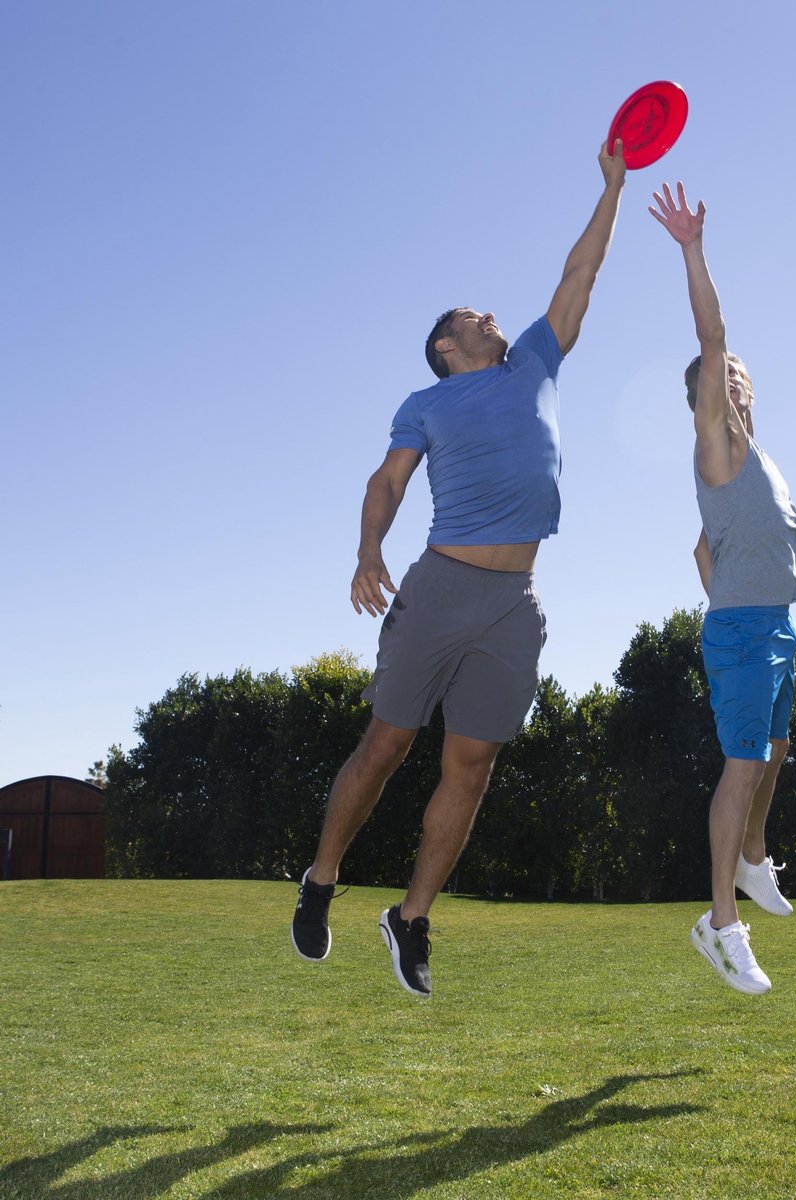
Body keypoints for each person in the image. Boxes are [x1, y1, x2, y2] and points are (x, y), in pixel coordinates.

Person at [290, 140, 627, 998]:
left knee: (470, 768)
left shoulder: (535, 366)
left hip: (517, 604)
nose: (494, 317)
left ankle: (410, 918)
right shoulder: (428, 401)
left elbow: (579, 273)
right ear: (446, 343)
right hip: (439, 586)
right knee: (387, 744)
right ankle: (322, 877)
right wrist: (368, 551)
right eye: (477, 313)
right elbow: (387, 479)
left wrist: (613, 186)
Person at [649, 181, 796, 995]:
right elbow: (712, 335)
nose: (737, 379)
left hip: (770, 624)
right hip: (745, 630)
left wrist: (727, 590)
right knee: (740, 767)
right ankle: (720, 923)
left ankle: (752, 855)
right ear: (706, 396)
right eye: (724, 376)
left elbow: (699, 548)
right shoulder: (716, 444)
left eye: (742, 375)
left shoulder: (754, 463)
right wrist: (691, 248)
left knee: (775, 749)